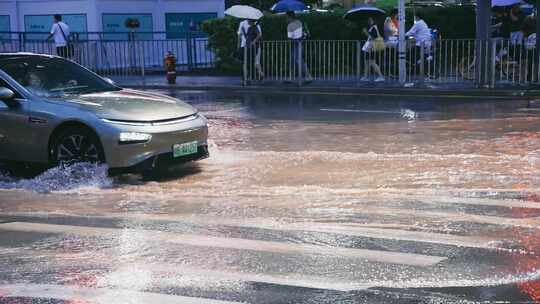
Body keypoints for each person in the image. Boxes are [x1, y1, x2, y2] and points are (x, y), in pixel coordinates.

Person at [286, 11, 312, 83]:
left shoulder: (290, 25)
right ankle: (292, 77)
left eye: (286, 17)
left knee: (298, 60)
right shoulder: (300, 22)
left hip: (295, 44)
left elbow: (289, 38)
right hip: (301, 43)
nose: (286, 19)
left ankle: (308, 76)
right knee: (296, 60)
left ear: (289, 17)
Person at [361, 17, 385, 82]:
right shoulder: (372, 27)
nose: (369, 21)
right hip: (369, 46)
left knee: (372, 62)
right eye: (368, 20)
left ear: (373, 20)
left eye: (371, 20)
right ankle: (365, 77)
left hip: (371, 46)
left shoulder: (374, 27)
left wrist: (366, 32)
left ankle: (381, 76)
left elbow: (373, 38)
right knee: (367, 62)